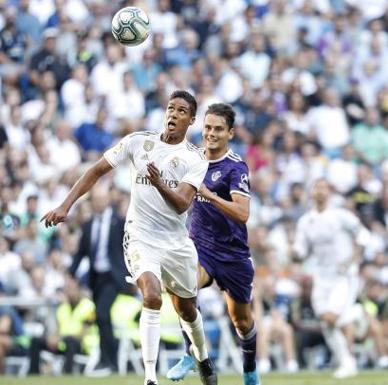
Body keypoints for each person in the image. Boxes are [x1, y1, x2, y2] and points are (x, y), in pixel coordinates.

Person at [42, 90, 216, 385]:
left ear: (192, 120)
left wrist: (159, 183)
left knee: (187, 309)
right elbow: (96, 170)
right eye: (171, 108)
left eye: (181, 111)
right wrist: (65, 205)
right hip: (140, 235)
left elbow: (182, 204)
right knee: (150, 294)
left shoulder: (195, 158)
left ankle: (202, 358)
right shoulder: (138, 142)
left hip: (175, 242)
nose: (173, 114)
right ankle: (150, 378)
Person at [167, 103, 260, 385]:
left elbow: (243, 213)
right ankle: (192, 353)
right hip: (200, 246)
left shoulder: (235, 167)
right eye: (208, 127)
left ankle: (250, 371)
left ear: (230, 133)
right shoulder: (191, 159)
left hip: (233, 254)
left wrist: (210, 195)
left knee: (241, 322)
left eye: (218, 129)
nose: (211, 133)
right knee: (184, 287)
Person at [292, 179, 371, 378]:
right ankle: (347, 362)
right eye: (316, 187)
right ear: (312, 193)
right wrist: (295, 254)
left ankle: (356, 313)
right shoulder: (305, 221)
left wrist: (354, 258)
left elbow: (363, 235)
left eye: (324, 188)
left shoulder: (341, 216)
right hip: (321, 276)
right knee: (327, 322)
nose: (320, 191)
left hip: (343, 276)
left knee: (331, 317)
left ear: (330, 193)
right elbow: (302, 250)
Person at [69, 183, 129, 372]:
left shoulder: (119, 222)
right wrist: (70, 274)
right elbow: (81, 253)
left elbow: (128, 248)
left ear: (108, 200)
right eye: (96, 200)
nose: (99, 203)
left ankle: (108, 361)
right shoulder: (88, 225)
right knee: (102, 318)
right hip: (96, 279)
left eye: (102, 199)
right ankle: (107, 360)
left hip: (113, 277)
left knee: (103, 314)